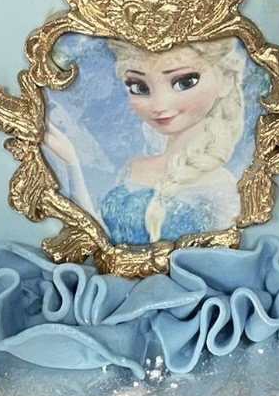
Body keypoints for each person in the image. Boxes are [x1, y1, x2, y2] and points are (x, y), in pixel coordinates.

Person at [44, 38, 246, 244]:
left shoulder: (222, 187)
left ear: (226, 80)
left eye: (184, 82)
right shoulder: (134, 167)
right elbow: (101, 238)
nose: (158, 106)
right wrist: (71, 162)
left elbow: (222, 255)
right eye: (140, 88)